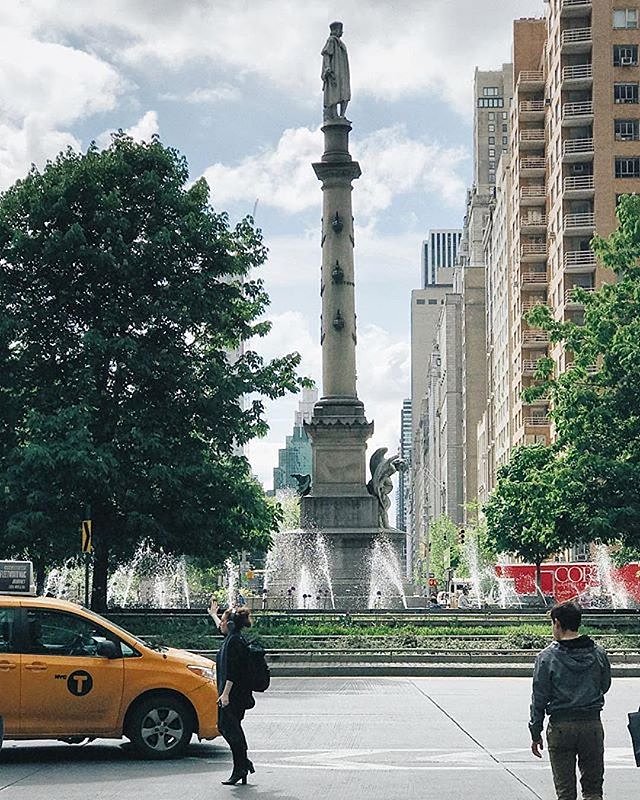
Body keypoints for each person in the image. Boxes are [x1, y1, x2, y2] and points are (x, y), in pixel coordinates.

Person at [529, 601, 611, 800]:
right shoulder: (598, 653)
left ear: (557, 623)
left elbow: (539, 698)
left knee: (565, 792)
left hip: (560, 727)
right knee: (593, 791)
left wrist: (535, 732)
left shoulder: (546, 657)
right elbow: (605, 684)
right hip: (591, 725)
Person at [208, 598, 256, 786]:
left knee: (231, 728)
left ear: (229, 625)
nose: (220, 624)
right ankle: (243, 764)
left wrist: (226, 694)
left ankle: (241, 767)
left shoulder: (235, 642)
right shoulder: (232, 639)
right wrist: (214, 615)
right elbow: (221, 628)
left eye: (222, 621)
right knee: (226, 727)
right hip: (232, 694)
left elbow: (234, 671)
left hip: (234, 695)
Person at [321, 21, 351, 121]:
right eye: (340, 30)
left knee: (345, 93)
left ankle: (342, 115)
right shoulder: (331, 40)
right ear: (336, 30)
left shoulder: (341, 44)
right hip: (335, 71)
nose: (342, 32)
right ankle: (334, 115)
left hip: (343, 73)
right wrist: (327, 67)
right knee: (334, 93)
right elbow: (326, 54)